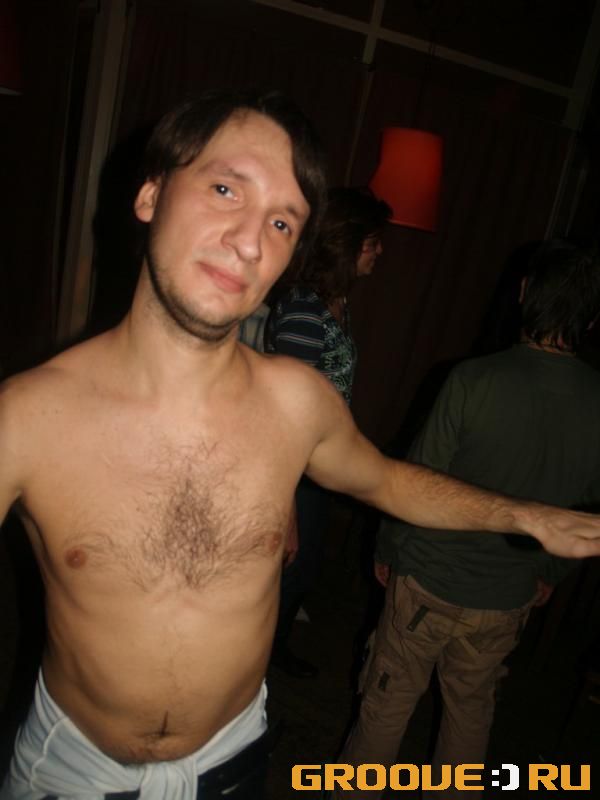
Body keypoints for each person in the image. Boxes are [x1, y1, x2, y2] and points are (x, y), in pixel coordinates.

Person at [0, 92, 600, 800]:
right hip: (74, 775)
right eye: (226, 189)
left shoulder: (296, 401)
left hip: (233, 760)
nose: (250, 241)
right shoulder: (27, 417)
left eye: (281, 222)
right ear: (150, 195)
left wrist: (526, 515)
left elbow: (386, 481)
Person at [332, 239, 600, 800]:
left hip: (429, 580)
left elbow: (415, 477)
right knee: (470, 716)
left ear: (525, 293)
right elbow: (590, 509)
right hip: (508, 596)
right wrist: (551, 570)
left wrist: (387, 550)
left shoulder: (474, 379)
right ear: (593, 316)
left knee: (386, 704)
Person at [267, 187, 391, 678]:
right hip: (293, 469)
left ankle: (270, 656)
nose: (379, 252)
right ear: (347, 243)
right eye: (372, 242)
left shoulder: (334, 302)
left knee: (304, 570)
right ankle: (250, 670)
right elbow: (283, 418)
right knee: (287, 572)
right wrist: (286, 510)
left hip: (316, 467)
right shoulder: (304, 308)